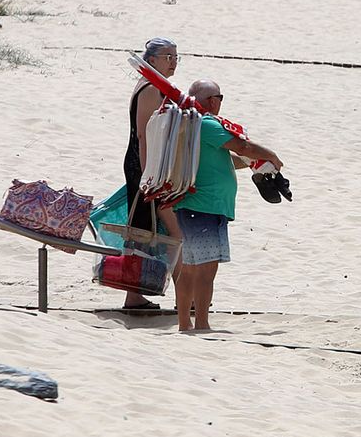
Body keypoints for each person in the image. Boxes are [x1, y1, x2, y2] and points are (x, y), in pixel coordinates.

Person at [173, 78, 285, 332]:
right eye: (220, 98)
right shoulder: (207, 123)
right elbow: (242, 146)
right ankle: (201, 324)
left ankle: (185, 324)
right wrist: (271, 155)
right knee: (205, 270)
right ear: (212, 101)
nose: (220, 103)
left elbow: (226, 159)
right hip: (204, 206)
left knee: (190, 267)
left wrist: (255, 163)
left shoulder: (192, 122)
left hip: (196, 205)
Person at [119, 38, 185, 310]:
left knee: (146, 229)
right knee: (171, 232)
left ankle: (136, 296)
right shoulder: (149, 88)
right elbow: (145, 136)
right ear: (152, 60)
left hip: (149, 168)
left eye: (176, 57)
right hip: (145, 168)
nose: (174, 62)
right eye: (168, 57)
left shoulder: (156, 85)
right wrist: (151, 180)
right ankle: (185, 298)